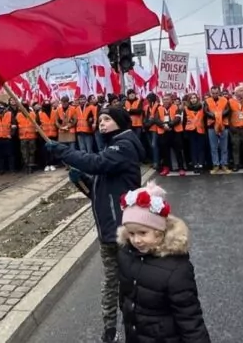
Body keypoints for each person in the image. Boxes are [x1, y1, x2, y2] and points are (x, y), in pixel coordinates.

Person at [45, 107, 144, 343]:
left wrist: (62, 151)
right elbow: (101, 192)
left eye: (107, 119)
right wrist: (82, 181)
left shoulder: (124, 146)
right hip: (108, 231)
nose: (101, 124)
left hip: (123, 231)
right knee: (111, 283)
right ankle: (110, 330)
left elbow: (97, 163)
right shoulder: (111, 148)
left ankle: (134, 329)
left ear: (120, 122)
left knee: (129, 284)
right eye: (99, 120)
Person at [116, 181, 211, 342]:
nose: (136, 240)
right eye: (131, 233)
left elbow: (189, 317)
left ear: (159, 232)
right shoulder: (127, 254)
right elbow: (124, 293)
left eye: (143, 232)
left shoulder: (176, 269)